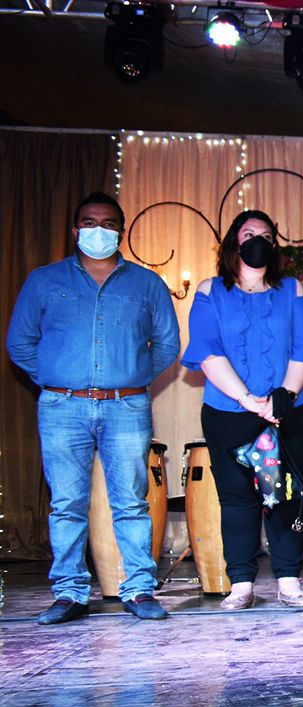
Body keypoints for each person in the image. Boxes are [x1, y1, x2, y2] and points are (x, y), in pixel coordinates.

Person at [6, 192, 180, 624]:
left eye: (108, 223)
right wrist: (56, 379)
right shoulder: (44, 280)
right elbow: (20, 343)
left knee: (131, 502)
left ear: (121, 232)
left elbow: (168, 344)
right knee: (67, 503)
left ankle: (139, 589)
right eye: (89, 222)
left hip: (126, 407)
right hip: (62, 407)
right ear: (75, 229)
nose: (98, 230)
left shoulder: (147, 284)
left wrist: (131, 377)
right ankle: (69, 593)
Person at [182, 210, 303, 610]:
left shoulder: (292, 289)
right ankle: (241, 583)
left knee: (286, 496)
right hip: (229, 411)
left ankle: (289, 580)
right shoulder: (211, 290)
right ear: (234, 242)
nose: (257, 241)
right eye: (249, 234)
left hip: (290, 410)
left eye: (265, 235)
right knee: (237, 498)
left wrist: (285, 394)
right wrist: (248, 400)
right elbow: (207, 350)